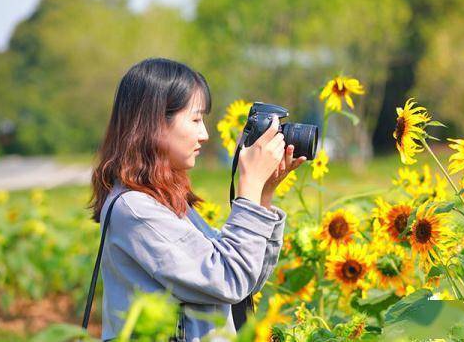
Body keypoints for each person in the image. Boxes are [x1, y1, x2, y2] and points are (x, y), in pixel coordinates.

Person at [89, 58, 305, 341]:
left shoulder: (164, 200)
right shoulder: (135, 209)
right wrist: (249, 185)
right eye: (195, 119)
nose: (204, 134)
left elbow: (245, 281)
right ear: (154, 124)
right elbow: (228, 279)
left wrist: (263, 193)